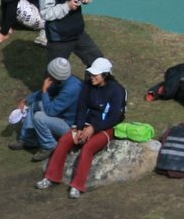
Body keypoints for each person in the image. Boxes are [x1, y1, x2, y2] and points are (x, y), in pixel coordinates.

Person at [37, 57, 125, 198]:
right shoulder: (88, 85)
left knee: (88, 148)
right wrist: (79, 127)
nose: (92, 78)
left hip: (106, 127)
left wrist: (94, 128)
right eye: (91, 74)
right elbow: (82, 106)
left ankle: (77, 185)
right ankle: (51, 177)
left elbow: (115, 117)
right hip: (86, 124)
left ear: (105, 75)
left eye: (95, 75)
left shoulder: (117, 90)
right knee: (65, 141)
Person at [14, 57, 82, 161]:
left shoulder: (71, 89)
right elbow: (47, 91)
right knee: (36, 104)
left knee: (39, 117)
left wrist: (45, 91)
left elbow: (51, 111)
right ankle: (28, 139)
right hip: (61, 116)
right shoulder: (61, 81)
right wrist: (27, 99)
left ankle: (48, 146)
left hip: (69, 125)